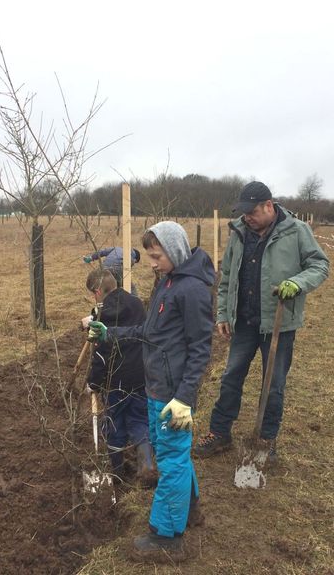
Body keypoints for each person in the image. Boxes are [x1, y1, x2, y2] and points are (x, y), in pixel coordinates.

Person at [87, 222, 215, 562]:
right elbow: (148, 330)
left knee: (171, 462)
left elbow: (201, 349)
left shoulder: (193, 291)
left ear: (174, 251)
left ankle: (166, 539)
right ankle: (190, 511)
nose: (153, 263)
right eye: (151, 256)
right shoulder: (168, 282)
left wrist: (185, 399)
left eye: (157, 256)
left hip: (175, 395)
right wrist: (108, 332)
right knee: (172, 453)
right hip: (157, 387)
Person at [195, 181, 329, 461]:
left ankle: (266, 440)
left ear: (269, 206)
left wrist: (297, 282)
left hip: (279, 324)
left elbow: (319, 265)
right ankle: (220, 433)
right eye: (244, 213)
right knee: (231, 378)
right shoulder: (239, 232)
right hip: (244, 321)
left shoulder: (296, 231)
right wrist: (223, 313)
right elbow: (227, 276)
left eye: (252, 212)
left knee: (274, 384)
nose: (247, 218)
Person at [84, 268, 156, 486]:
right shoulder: (136, 303)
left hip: (116, 382)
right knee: (139, 419)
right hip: (140, 376)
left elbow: (101, 355)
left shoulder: (102, 316)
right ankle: (147, 465)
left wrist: (93, 382)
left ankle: (116, 474)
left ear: (97, 292)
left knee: (114, 425)